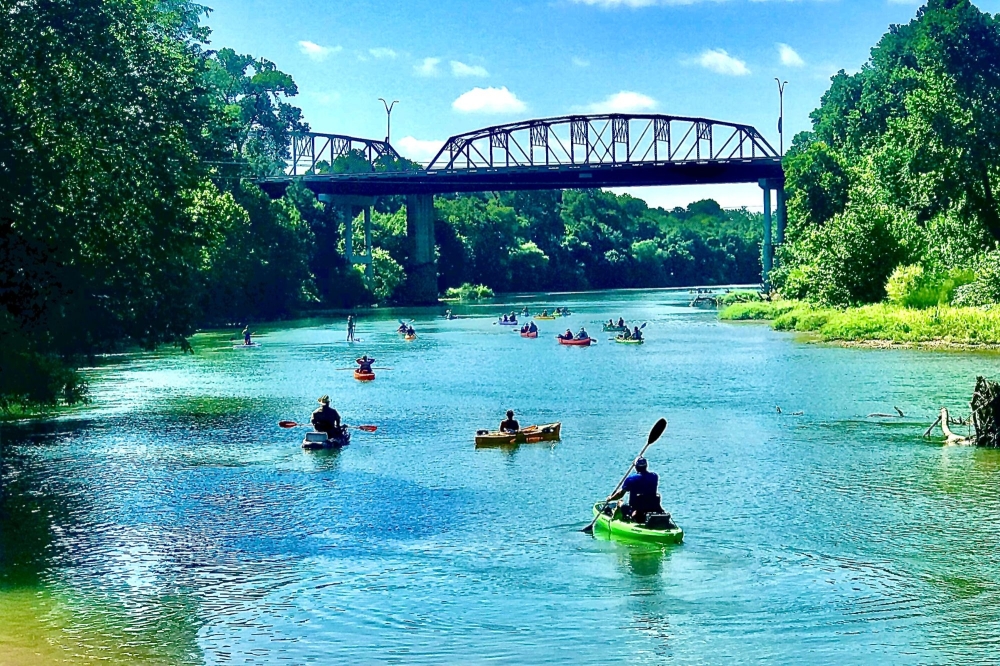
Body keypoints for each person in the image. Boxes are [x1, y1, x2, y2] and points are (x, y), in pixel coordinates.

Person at [605, 457, 663, 523]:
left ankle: (613, 521)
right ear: (646, 466)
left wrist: (610, 498)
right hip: (652, 507)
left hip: (637, 509)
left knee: (619, 503)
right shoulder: (654, 476)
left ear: (635, 467)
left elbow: (620, 494)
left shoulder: (631, 479)